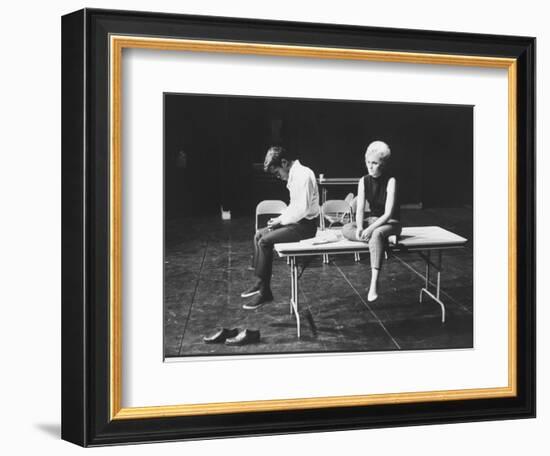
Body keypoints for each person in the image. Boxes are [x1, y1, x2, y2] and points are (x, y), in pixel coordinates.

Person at [241, 146, 320, 310]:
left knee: (264, 242)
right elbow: (293, 206)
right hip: (297, 222)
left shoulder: (303, 175)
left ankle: (265, 292)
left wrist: (281, 222)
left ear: (284, 163)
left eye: (277, 173)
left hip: (306, 227)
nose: (278, 177)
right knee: (258, 235)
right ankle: (260, 281)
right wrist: (280, 219)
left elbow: (302, 210)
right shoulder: (294, 175)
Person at [342, 141, 401, 302]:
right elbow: (360, 208)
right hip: (373, 221)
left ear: (383, 164)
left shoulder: (391, 181)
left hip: (391, 222)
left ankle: (374, 283)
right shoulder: (363, 180)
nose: (370, 166)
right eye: (368, 162)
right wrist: (360, 227)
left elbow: (388, 214)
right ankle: (381, 240)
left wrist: (370, 230)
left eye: (374, 163)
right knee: (346, 228)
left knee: (375, 234)